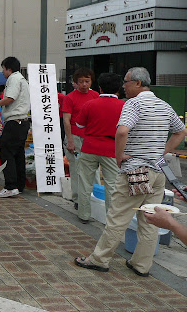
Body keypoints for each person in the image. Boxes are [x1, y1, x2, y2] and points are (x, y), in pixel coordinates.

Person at [75, 67, 187, 277]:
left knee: (118, 217)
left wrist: (119, 157)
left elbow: (123, 131)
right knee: (151, 220)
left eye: (126, 82)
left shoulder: (133, 104)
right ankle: (141, 264)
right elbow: (181, 131)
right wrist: (162, 151)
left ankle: (99, 259)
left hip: (135, 171)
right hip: (157, 172)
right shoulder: (164, 105)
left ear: (137, 83)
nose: (123, 87)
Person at [74, 73, 124, 224]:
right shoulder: (124, 106)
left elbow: (79, 125)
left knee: (85, 182)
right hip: (111, 149)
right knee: (112, 185)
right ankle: (111, 218)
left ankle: (83, 214)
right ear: (118, 90)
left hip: (89, 147)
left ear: (100, 88)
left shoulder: (90, 104)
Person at [0, 57, 31, 198]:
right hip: (22, 122)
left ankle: (10, 186)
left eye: (3, 69)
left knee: (6, 152)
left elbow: (10, 97)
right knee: (18, 154)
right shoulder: (22, 79)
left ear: (8, 69)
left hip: (15, 121)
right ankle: (19, 185)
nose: (3, 72)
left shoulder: (14, 79)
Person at [62, 68, 99, 209]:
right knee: (77, 168)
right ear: (76, 83)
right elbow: (66, 120)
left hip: (91, 138)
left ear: (91, 81)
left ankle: (95, 196)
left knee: (94, 168)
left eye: (87, 81)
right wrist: (70, 140)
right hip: (75, 137)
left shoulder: (96, 96)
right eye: (81, 81)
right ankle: (78, 199)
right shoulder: (70, 98)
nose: (84, 84)